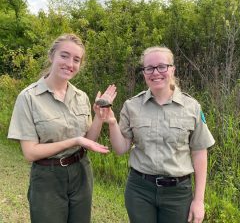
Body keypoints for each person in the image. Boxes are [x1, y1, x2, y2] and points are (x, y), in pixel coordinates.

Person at [7, 33, 116, 223]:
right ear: (52, 56)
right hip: (47, 176)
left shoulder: (81, 97)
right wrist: (75, 140)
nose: (70, 64)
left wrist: (99, 118)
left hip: (81, 172)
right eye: (64, 56)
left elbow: (89, 140)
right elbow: (30, 153)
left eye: (76, 59)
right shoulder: (29, 97)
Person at [103, 46, 215, 223]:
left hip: (178, 194)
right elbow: (120, 149)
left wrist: (199, 200)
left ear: (172, 69)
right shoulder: (132, 106)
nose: (156, 72)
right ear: (144, 72)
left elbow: (199, 152)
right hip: (140, 190)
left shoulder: (192, 107)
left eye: (162, 66)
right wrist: (111, 123)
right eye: (149, 68)